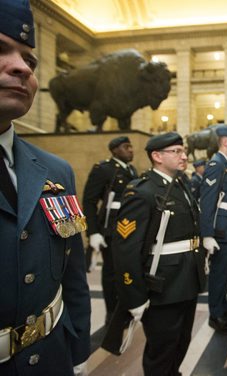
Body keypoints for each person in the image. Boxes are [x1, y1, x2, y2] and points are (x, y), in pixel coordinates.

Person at [0, 1, 91, 374]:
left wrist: (78, 348)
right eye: (1, 51)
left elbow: (73, 271)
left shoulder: (56, 170)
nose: (23, 67)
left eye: (30, 61)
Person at [113, 132, 206, 376]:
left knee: (181, 341)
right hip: (163, 284)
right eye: (176, 151)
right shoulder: (142, 191)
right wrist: (134, 296)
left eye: (182, 150)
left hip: (187, 279)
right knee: (162, 349)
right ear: (157, 156)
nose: (184, 156)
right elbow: (126, 250)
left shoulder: (181, 184)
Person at [82, 136, 136, 324]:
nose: (131, 150)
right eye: (125, 147)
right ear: (114, 150)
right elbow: (89, 201)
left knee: (126, 271)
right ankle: (112, 314)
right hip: (110, 229)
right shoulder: (103, 169)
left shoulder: (131, 170)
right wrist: (93, 232)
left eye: (130, 146)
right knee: (112, 272)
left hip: (130, 229)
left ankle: (125, 308)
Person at [200, 125, 227, 334]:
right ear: (225, 141)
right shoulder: (216, 165)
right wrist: (207, 234)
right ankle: (215, 314)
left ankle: (223, 307)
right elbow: (208, 202)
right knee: (218, 274)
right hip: (222, 230)